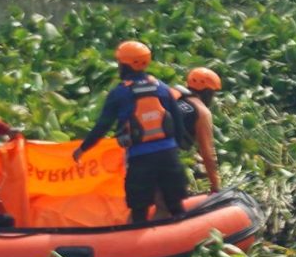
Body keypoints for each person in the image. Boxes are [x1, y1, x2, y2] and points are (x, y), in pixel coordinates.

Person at [72, 41, 187, 223]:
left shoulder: (120, 93)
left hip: (140, 158)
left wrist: (83, 149)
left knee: (139, 209)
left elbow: (102, 126)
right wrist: (176, 148)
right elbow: (178, 121)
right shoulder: (162, 88)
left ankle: (141, 245)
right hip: (168, 154)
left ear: (125, 65)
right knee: (175, 205)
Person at [170, 67, 222, 194]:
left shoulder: (172, 97)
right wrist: (216, 187)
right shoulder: (202, 111)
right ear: (208, 93)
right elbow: (208, 154)